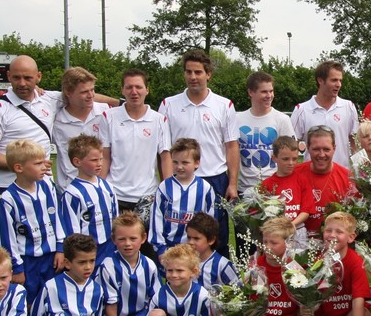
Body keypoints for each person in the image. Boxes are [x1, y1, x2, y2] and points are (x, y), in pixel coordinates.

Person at [158, 49, 240, 212]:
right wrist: (167, 184)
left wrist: (232, 184)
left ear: (208, 74)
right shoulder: (168, 105)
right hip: (180, 178)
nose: (193, 77)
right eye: (188, 72)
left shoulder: (224, 105)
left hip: (215, 179)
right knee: (180, 227)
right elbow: (164, 150)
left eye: (198, 72)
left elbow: (231, 146)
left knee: (215, 228)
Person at [0, 139, 64, 309]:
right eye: (38, 163)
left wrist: (61, 248)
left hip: (51, 258)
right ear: (19, 168)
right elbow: (5, 238)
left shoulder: (48, 186)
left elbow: (58, 219)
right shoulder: (7, 200)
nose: (44, 167)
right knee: (28, 302)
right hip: (27, 261)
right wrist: (17, 268)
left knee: (53, 299)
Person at [0, 55, 62, 190]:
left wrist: (107, 100)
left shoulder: (49, 100)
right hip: (4, 187)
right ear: (9, 76)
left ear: (38, 77)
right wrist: (26, 166)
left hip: (42, 186)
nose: (22, 83)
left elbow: (84, 95)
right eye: (16, 77)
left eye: (28, 78)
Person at [102, 69, 171, 213]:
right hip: (114, 193)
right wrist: (98, 188)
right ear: (122, 90)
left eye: (138, 87)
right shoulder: (108, 117)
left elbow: (165, 158)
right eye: (129, 87)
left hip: (147, 196)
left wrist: (169, 190)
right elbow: (104, 157)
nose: (134, 92)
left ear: (147, 90)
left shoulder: (159, 120)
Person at [97, 212, 160, 316]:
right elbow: (110, 306)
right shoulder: (108, 266)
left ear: (143, 238)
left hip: (137, 315)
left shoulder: (149, 265)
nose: (128, 244)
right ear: (113, 239)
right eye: (122, 239)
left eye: (133, 238)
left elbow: (156, 300)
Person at [313, 212, 371, 316]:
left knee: (365, 314)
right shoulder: (317, 261)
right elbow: (312, 297)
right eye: (328, 230)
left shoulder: (355, 261)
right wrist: (309, 306)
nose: (332, 235)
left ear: (351, 237)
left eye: (339, 232)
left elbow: (358, 299)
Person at [149, 138, 216, 256]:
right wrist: (160, 248)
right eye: (175, 162)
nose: (179, 167)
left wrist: (203, 248)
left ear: (196, 163)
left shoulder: (205, 188)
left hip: (194, 251)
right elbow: (156, 218)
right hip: (168, 249)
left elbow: (210, 221)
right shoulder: (164, 187)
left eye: (185, 163)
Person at [254, 217, 303, 316]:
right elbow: (249, 301)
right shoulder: (256, 265)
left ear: (288, 243)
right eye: (265, 242)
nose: (267, 247)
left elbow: (302, 308)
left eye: (273, 243)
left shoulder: (295, 270)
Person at [60, 135, 118, 262]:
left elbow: (115, 218)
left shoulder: (108, 186)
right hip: (87, 252)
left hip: (110, 247)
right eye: (94, 160)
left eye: (101, 159)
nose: (99, 164)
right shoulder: (73, 193)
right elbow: (72, 230)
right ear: (77, 162)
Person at [291, 60, 358, 169]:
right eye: (334, 80)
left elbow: (355, 144)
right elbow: (291, 145)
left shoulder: (348, 107)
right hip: (311, 175)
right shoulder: (301, 110)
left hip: (341, 174)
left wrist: (359, 172)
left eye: (340, 80)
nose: (339, 85)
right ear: (320, 80)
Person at [235, 71, 294, 194]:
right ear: (250, 92)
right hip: (244, 188)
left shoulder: (282, 119)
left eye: (271, 91)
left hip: (274, 189)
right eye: (264, 92)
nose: (269, 95)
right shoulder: (237, 119)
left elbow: (291, 154)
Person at [52, 67, 110, 191]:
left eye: (92, 90)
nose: (91, 96)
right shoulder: (56, 121)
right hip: (67, 190)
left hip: (99, 189)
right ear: (68, 93)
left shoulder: (106, 113)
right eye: (84, 92)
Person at [294, 126, 353, 239]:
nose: (321, 155)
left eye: (326, 149)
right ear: (308, 148)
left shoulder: (348, 178)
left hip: (332, 242)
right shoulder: (294, 174)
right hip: (297, 241)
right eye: (316, 149)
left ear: (334, 148)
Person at [262, 135, 308, 246]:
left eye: (294, 159)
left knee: (299, 257)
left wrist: (291, 225)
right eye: (285, 159)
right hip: (276, 233)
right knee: (276, 256)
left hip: (297, 229)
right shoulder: (267, 184)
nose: (291, 163)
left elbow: (306, 211)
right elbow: (263, 213)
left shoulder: (302, 180)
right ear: (274, 158)